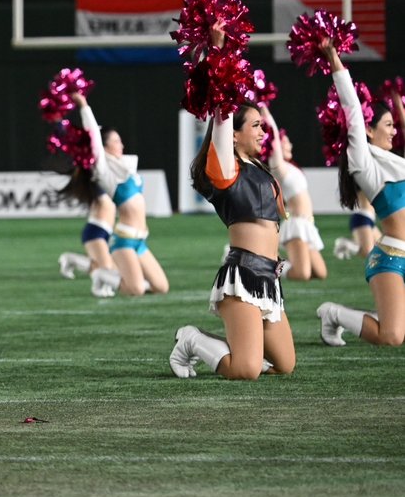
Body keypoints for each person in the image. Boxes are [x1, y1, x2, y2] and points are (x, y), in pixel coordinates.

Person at [170, 21, 294, 380]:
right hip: (243, 276)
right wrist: (218, 51)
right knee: (246, 370)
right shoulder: (225, 168)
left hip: (269, 277)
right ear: (234, 135)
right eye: (254, 126)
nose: (262, 131)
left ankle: (242, 347)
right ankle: (192, 340)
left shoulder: (260, 169)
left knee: (285, 365)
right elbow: (222, 112)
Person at [315, 42, 405, 348]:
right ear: (368, 130)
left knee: (396, 326)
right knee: (391, 336)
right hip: (390, 258)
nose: (394, 131)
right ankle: (334, 314)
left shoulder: (395, 162)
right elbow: (352, 109)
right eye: (388, 125)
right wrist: (334, 58)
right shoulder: (364, 163)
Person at [77, 94, 170, 297]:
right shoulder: (106, 175)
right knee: (135, 289)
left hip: (141, 239)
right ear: (105, 147)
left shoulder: (126, 168)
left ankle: (115, 276)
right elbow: (93, 138)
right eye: (116, 141)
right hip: (124, 240)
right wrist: (84, 106)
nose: (121, 145)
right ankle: (100, 274)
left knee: (161, 287)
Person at [261, 107, 327, 280]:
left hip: (307, 225)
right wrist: (265, 110)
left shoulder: (291, 168)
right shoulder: (279, 168)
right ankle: (265, 265)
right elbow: (273, 138)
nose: (289, 145)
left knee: (320, 273)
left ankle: (271, 262)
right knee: (301, 273)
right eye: (285, 142)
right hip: (296, 224)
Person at [56, 181, 115, 289]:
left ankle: (71, 259)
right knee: (106, 270)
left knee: (113, 269)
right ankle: (71, 259)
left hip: (106, 229)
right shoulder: (96, 181)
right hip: (97, 230)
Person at [333, 193, 381, 260]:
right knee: (368, 252)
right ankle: (346, 244)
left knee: (382, 249)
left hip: (368, 217)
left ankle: (351, 245)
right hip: (363, 217)